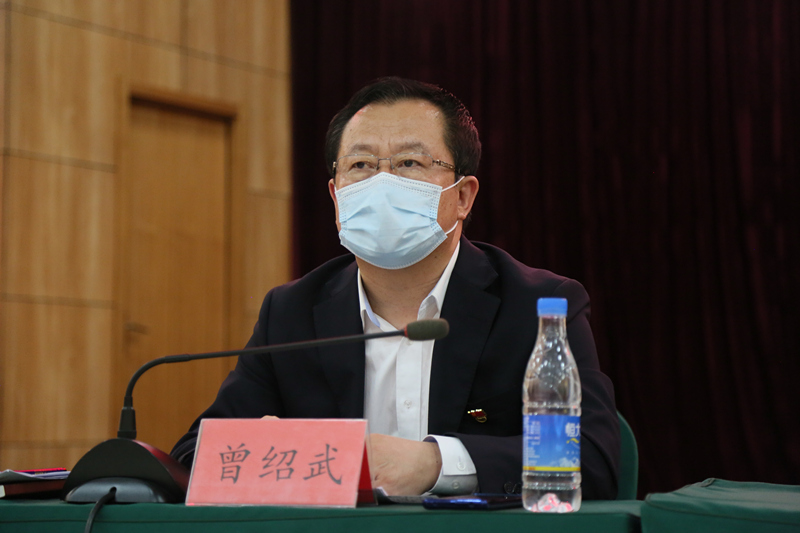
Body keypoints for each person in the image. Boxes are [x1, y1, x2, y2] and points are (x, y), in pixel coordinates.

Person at [171, 77, 620, 498]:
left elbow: (592, 459)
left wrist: (435, 463)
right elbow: (191, 459)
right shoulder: (292, 312)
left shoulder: (536, 306)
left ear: (463, 197)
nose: (382, 183)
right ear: (336, 196)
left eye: (409, 162)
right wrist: (275, 453)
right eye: (361, 165)